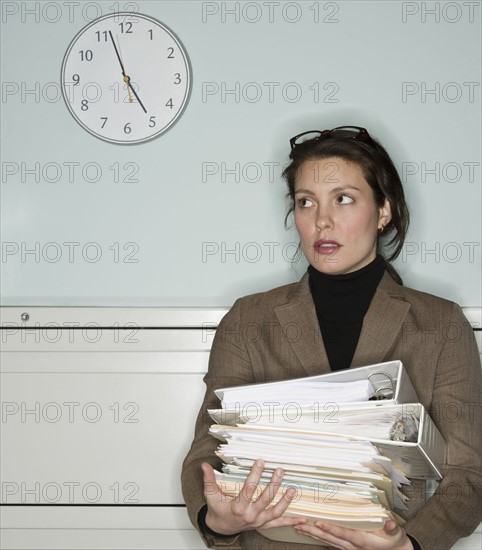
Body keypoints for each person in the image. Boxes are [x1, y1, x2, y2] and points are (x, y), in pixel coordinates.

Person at [181, 126, 482, 550]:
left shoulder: (441, 324)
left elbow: (470, 475)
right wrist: (218, 520)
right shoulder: (248, 318)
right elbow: (206, 453)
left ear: (383, 211)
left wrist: (409, 545)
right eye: (306, 202)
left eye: (343, 198)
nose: (322, 220)